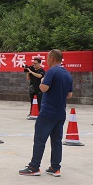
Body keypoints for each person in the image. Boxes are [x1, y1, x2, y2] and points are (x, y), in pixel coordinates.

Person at [19, 49, 73, 177]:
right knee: (56, 140)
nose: (47, 61)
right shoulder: (67, 74)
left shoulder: (51, 72)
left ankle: (34, 166)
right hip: (61, 112)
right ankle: (55, 167)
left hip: (48, 111)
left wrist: (43, 81)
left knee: (40, 139)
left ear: (53, 59)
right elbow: (69, 95)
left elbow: (43, 88)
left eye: (48, 58)